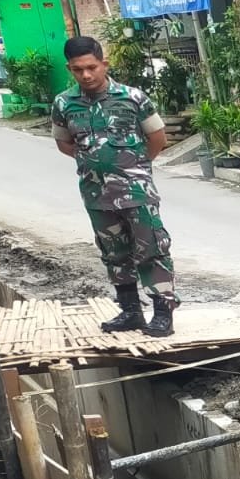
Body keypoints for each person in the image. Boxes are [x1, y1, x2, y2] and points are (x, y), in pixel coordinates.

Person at [50, 35, 177, 336]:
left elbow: (157, 138)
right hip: (96, 195)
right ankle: (131, 311)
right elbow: (64, 142)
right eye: (78, 69)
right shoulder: (64, 103)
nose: (86, 75)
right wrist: (95, 163)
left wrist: (133, 167)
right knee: (114, 253)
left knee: (152, 249)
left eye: (91, 67)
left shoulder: (132, 98)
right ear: (70, 69)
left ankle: (163, 314)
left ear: (104, 64)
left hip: (136, 192)